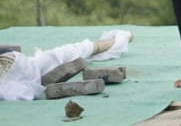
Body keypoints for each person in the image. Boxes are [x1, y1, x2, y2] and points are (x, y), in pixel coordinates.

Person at [0, 30, 132, 101]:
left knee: (60, 55)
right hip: (20, 70)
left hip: (20, 65)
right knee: (57, 56)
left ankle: (114, 41)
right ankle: (114, 41)